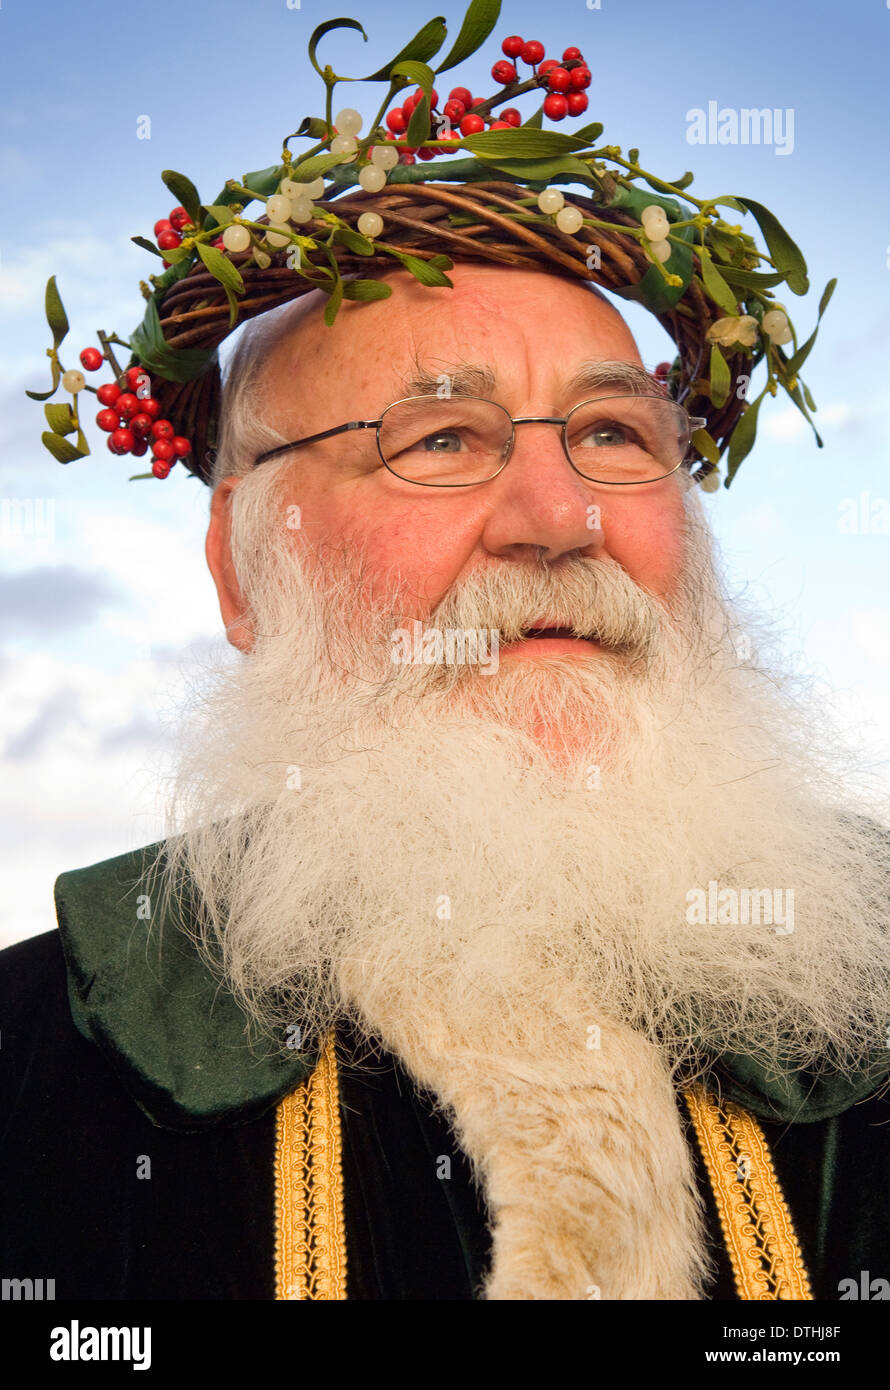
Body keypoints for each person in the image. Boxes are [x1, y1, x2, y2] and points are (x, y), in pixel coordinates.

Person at [3, 256, 890, 1302]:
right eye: (438, 439)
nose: (561, 520)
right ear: (243, 569)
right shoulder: (29, 1065)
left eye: (611, 433)